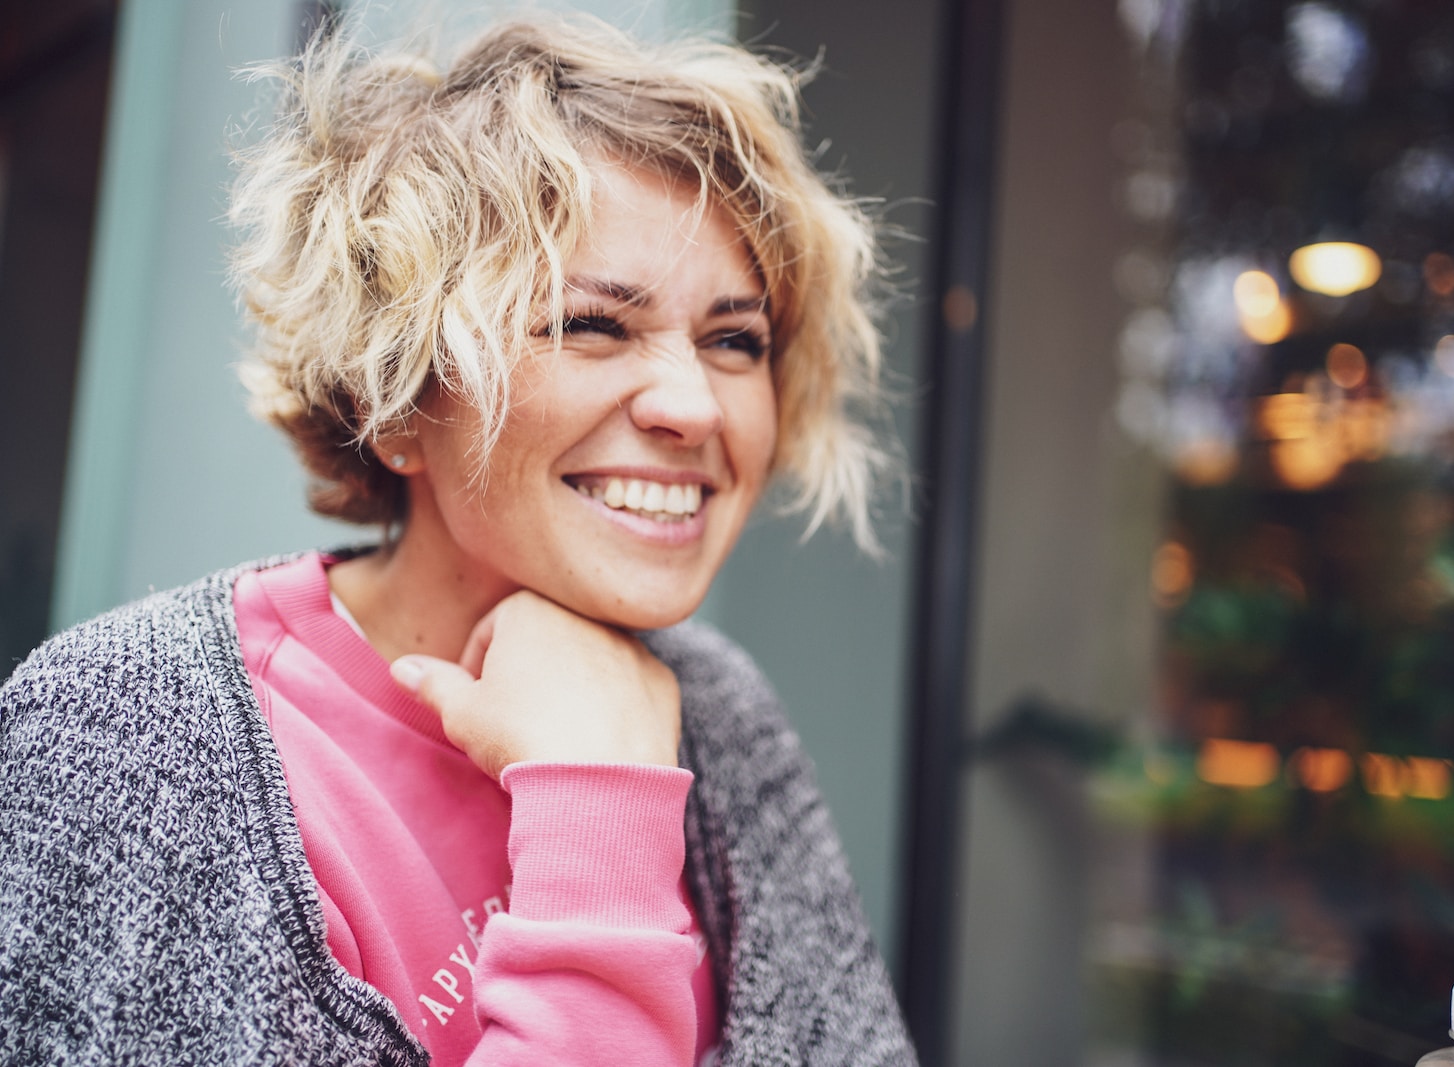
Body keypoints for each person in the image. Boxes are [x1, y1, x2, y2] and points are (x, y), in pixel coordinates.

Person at [0, 14, 915, 1066]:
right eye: (592, 324)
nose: (693, 403)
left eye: (734, 339)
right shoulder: (124, 737)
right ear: (393, 398)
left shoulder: (721, 710)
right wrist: (598, 807)